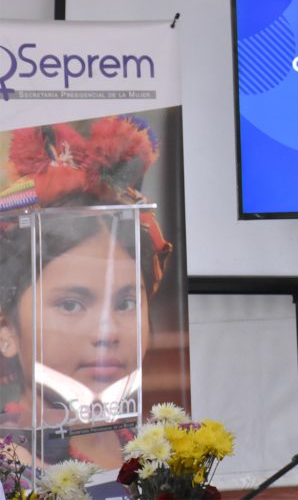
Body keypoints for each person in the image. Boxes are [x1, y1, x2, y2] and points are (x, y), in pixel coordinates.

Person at [0, 116, 172, 470]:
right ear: (6, 329)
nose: (107, 332)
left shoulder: (157, 449)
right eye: (70, 304)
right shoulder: (15, 470)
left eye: (126, 303)